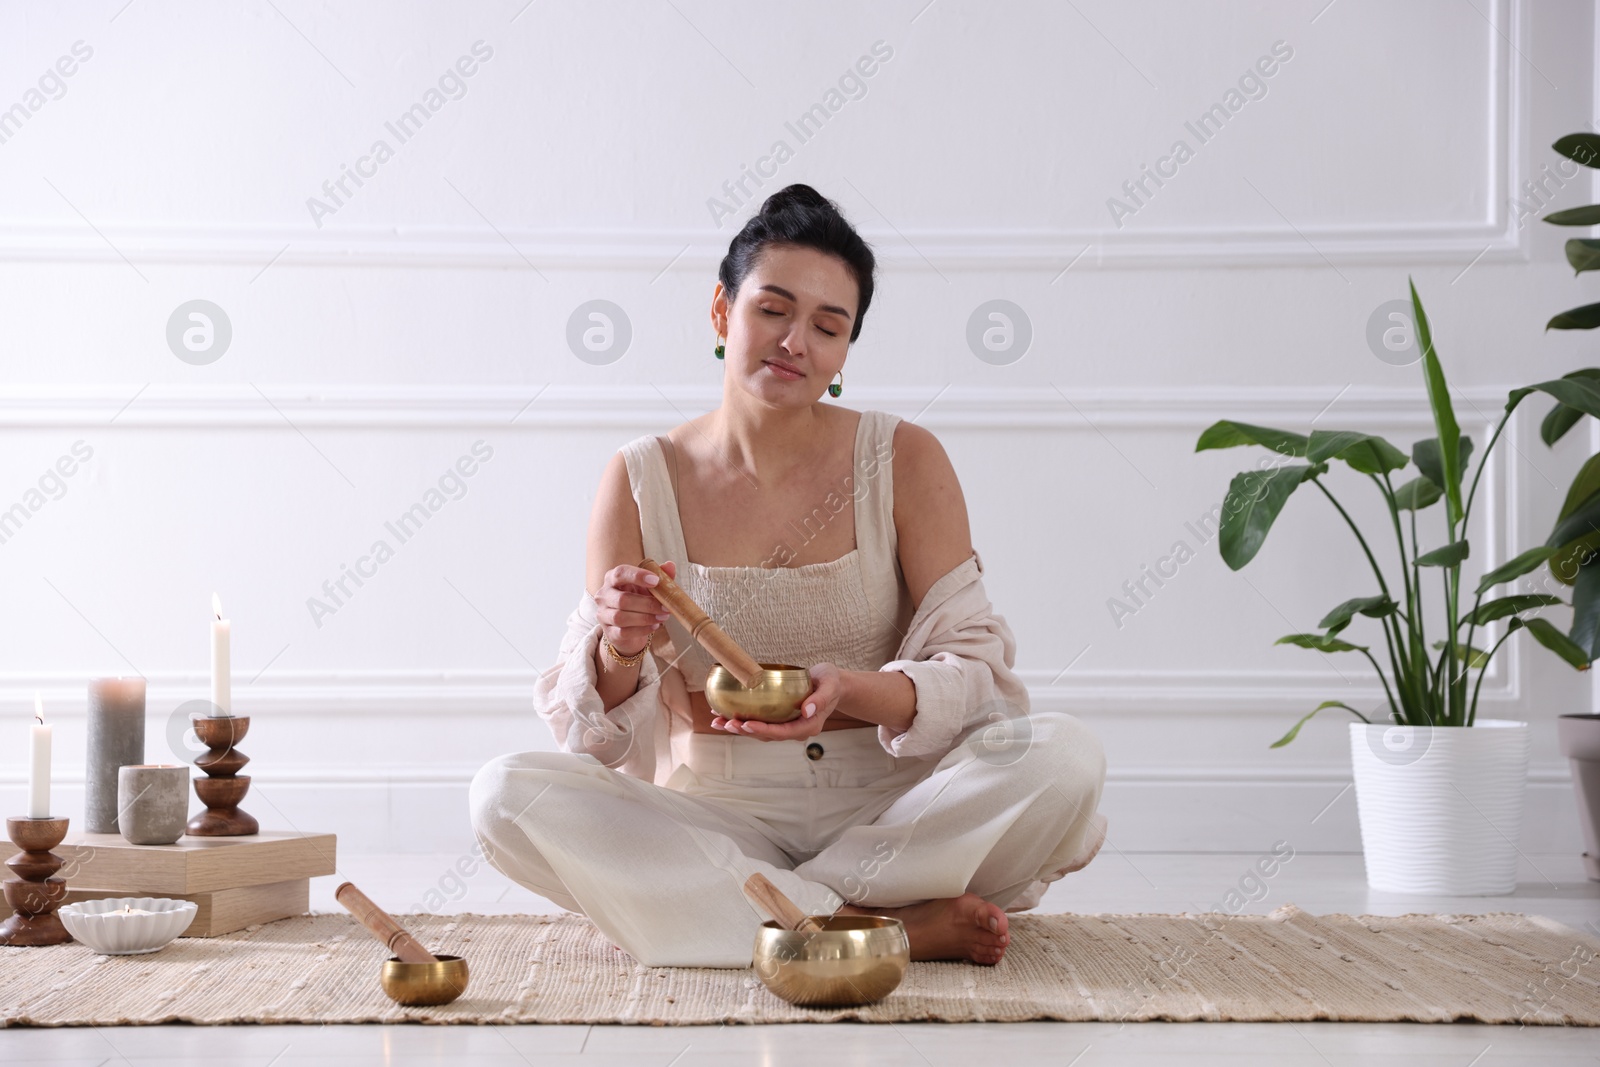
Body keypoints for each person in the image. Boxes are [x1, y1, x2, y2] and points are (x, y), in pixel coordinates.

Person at [470, 184, 1107, 968]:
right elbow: (592, 740)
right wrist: (620, 648)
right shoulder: (639, 478)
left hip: (893, 808)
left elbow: (978, 679)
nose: (795, 341)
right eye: (772, 309)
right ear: (721, 312)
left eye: (828, 326)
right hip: (719, 814)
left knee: (1065, 754)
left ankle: (757, 912)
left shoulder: (904, 459)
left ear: (844, 352)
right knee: (504, 794)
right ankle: (887, 927)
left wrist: (848, 690)